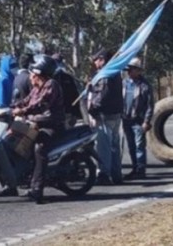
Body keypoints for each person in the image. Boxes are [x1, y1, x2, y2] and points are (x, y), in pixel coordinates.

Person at [11, 54, 65, 204]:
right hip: (37, 123)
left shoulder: (51, 85)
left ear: (39, 73)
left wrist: (23, 111)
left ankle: (37, 190)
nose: (30, 77)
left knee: (39, 149)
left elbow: (41, 104)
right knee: (17, 141)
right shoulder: (37, 88)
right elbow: (26, 101)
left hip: (51, 126)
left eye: (32, 74)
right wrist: (10, 108)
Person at [88, 48, 123, 185]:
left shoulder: (104, 74)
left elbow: (102, 96)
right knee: (114, 145)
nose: (95, 63)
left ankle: (104, 174)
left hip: (104, 115)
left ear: (102, 59)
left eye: (96, 60)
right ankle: (116, 174)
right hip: (116, 114)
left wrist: (92, 110)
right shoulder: (116, 73)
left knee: (104, 147)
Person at [122, 57, 154, 180]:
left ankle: (141, 169)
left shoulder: (145, 85)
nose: (129, 71)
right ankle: (135, 168)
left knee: (139, 145)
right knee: (131, 146)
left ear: (138, 70)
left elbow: (150, 105)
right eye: (128, 69)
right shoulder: (124, 83)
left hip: (139, 120)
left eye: (132, 69)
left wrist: (147, 121)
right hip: (126, 119)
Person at [51, 53, 82, 129]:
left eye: (59, 61)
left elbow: (75, 95)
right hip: (55, 115)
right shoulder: (49, 78)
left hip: (67, 113)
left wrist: (76, 114)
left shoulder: (67, 77)